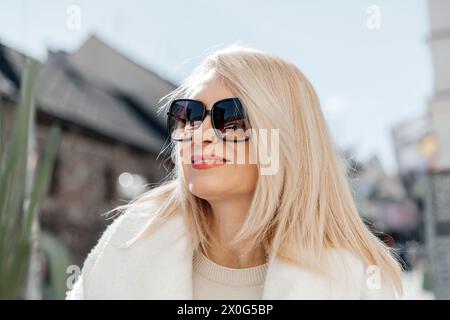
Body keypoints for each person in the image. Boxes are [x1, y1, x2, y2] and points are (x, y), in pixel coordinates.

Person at [66, 45, 403, 299]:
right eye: (189, 115)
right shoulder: (128, 247)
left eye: (231, 119)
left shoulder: (358, 282)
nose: (199, 133)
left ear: (286, 140)